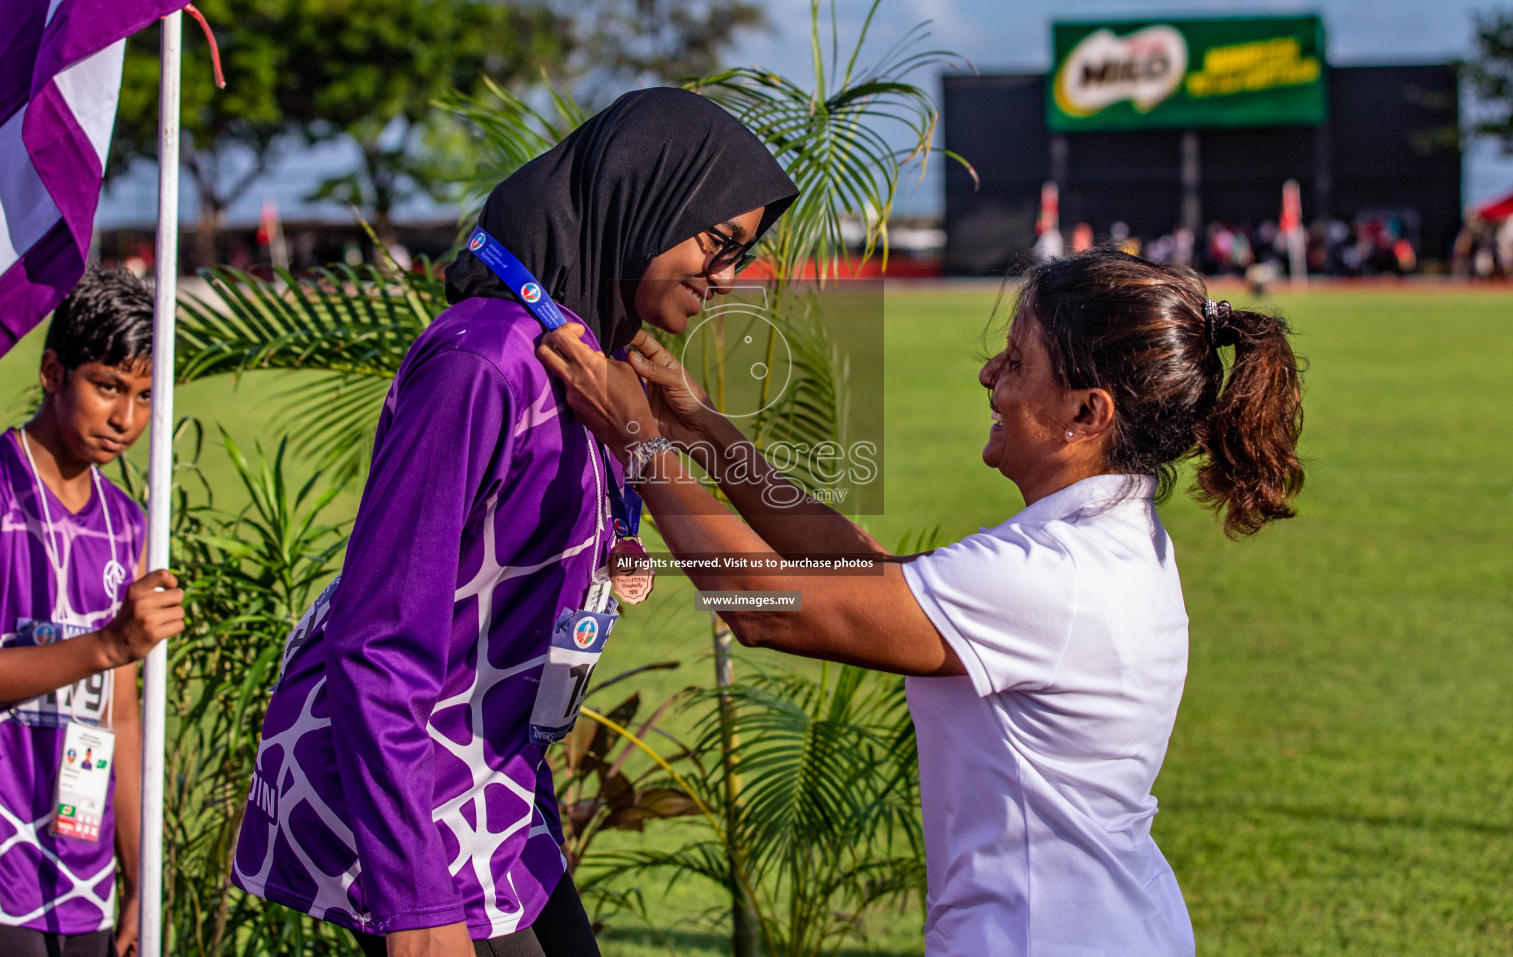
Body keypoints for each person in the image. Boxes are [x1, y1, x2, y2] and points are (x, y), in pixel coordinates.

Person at [538, 247, 1306, 956]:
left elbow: (764, 606)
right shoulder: (1101, 541)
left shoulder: (1060, 573)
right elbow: (866, 572)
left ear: (1087, 414)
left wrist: (638, 439)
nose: (989, 377)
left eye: (1016, 361)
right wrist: (695, 425)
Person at [230, 87, 797, 957]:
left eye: (741, 253)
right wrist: (418, 913)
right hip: (413, 805)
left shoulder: (590, 372)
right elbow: (378, 639)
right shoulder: (484, 362)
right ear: (642, 197)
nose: (727, 277)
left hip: (494, 792)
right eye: (717, 243)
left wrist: (675, 425)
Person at [0, 267, 187, 957]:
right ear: (52, 372)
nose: (126, 418)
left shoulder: (129, 526)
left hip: (82, 878)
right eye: (108, 386)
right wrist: (105, 645)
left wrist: (138, 884)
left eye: (146, 395)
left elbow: (120, 716)